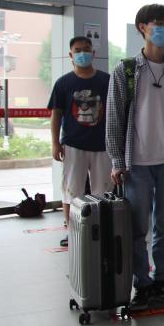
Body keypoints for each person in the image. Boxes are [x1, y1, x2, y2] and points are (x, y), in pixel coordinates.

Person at [106, 4, 164, 312]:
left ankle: (161, 280)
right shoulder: (126, 71)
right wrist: (117, 161)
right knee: (137, 230)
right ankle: (142, 285)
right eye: (158, 23)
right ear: (142, 27)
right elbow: (114, 119)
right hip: (136, 164)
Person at [48, 36, 112, 247]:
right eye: (77, 50)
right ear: (70, 55)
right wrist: (55, 143)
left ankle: (102, 231)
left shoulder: (107, 81)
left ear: (93, 53)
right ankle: (72, 232)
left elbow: (115, 113)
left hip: (103, 145)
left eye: (86, 49)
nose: (82, 53)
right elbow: (56, 115)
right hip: (73, 145)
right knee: (72, 191)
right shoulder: (63, 83)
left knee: (103, 191)